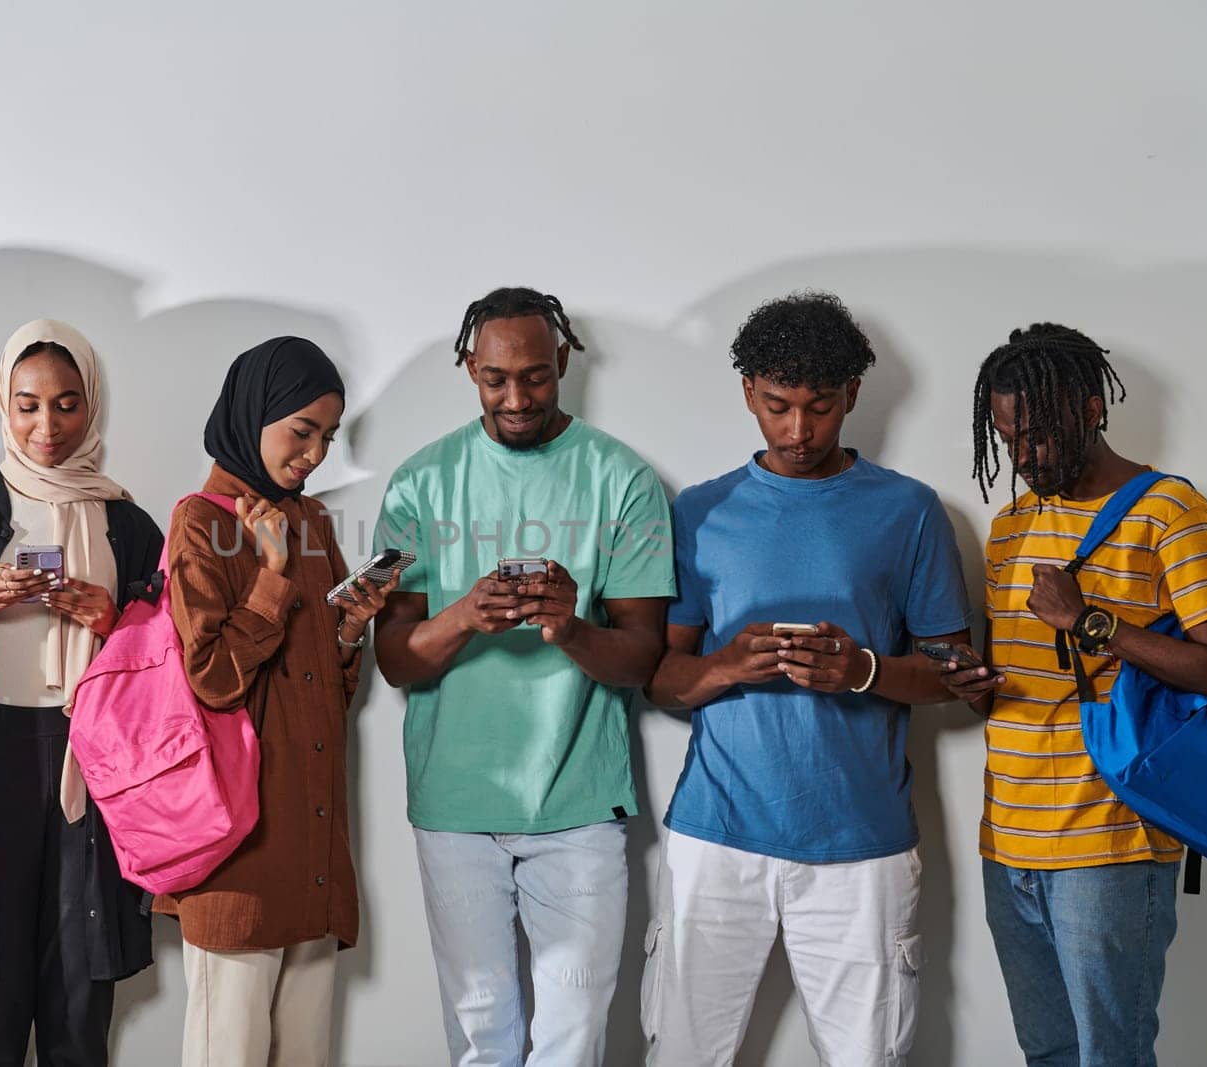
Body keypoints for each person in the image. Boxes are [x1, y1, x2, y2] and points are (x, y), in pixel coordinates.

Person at [643, 291, 973, 1067]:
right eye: (777, 405)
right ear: (748, 392)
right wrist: (727, 665)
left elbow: (957, 672)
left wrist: (860, 668)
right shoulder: (701, 511)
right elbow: (660, 680)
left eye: (820, 407)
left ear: (852, 394)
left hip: (862, 843)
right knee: (683, 1053)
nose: (798, 430)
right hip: (715, 836)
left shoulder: (910, 511)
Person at [373, 286, 674, 1065]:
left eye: (536, 377)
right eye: (496, 379)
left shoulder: (623, 480)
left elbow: (643, 658)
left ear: (563, 361)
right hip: (455, 798)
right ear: (470, 367)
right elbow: (396, 659)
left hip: (578, 803)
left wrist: (571, 627)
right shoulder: (420, 483)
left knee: (573, 1038)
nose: (516, 397)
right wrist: (466, 614)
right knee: (480, 1035)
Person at [941, 323, 1207, 1067]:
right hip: (1006, 839)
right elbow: (1020, 682)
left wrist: (1092, 621)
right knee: (1047, 1051)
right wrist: (972, 682)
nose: (1025, 456)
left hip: (1110, 842)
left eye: (1038, 434)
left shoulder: (1172, 512)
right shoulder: (1009, 528)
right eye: (1009, 439)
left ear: (1093, 407)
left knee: (1112, 1055)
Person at [0, 320, 162, 1065]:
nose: (46, 425)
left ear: (93, 407)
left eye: (66, 404)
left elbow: (165, 681)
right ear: (3, 403)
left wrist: (110, 619)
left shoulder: (129, 525)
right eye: (27, 404)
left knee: (79, 1025)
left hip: (89, 779)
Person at [153, 335, 389, 1067]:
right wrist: (273, 573)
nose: (315, 452)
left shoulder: (315, 525)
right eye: (301, 430)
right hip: (240, 851)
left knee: (305, 1054)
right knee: (228, 1050)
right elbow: (213, 681)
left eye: (327, 434)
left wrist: (348, 634)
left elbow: (327, 697)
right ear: (254, 414)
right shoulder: (201, 522)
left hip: (314, 840)